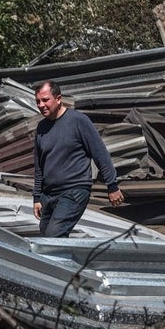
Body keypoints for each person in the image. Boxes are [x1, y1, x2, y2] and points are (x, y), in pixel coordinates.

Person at [32, 80, 124, 237]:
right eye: (38, 101)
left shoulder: (78, 121)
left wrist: (112, 185)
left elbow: (100, 153)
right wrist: (37, 197)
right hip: (49, 195)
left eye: (45, 100)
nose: (41, 105)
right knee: (45, 234)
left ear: (58, 98)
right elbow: (39, 166)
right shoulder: (41, 128)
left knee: (54, 236)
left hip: (74, 190)